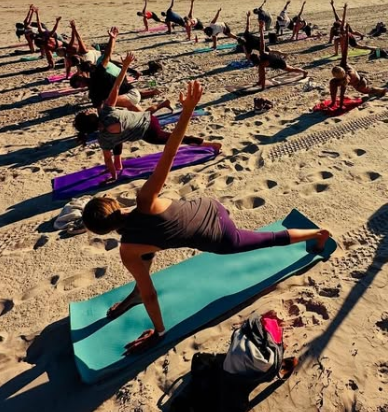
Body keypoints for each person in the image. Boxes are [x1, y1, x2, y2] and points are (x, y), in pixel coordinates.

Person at [80, 80, 331, 354]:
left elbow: (153, 294)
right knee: (146, 253)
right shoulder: (144, 200)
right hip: (207, 205)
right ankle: (134, 295)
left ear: (103, 232)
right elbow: (170, 152)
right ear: (112, 202)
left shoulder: (128, 249)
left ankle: (319, 235)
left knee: (268, 239)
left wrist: (159, 333)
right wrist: (187, 111)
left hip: (220, 235)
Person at [74, 53, 220, 181]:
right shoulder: (106, 111)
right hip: (147, 126)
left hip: (148, 130)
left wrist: (113, 177)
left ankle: (211, 145)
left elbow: (107, 160)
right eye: (86, 114)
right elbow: (116, 86)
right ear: (91, 119)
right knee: (118, 137)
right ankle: (119, 163)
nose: (88, 111)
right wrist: (125, 66)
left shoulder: (103, 138)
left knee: (176, 139)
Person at [70, 27, 158, 109]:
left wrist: (112, 39)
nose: (81, 86)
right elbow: (111, 58)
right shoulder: (97, 64)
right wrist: (112, 39)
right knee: (128, 90)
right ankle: (152, 90)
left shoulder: (97, 69)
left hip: (118, 77)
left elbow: (109, 56)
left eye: (80, 84)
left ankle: (151, 88)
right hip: (119, 76)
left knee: (123, 93)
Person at [329, 26, 386, 109]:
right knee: (332, 83)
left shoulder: (346, 79)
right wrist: (345, 38)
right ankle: (333, 101)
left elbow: (342, 92)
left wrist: (340, 106)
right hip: (352, 80)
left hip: (360, 83)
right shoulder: (343, 64)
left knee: (368, 90)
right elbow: (345, 51)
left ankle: (381, 90)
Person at [250, 19, 307, 89]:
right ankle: (260, 81)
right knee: (261, 70)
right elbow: (262, 41)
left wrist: (263, 87)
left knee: (291, 69)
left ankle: (304, 72)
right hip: (274, 60)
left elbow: (263, 75)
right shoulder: (262, 55)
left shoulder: (262, 59)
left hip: (279, 62)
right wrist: (261, 29)